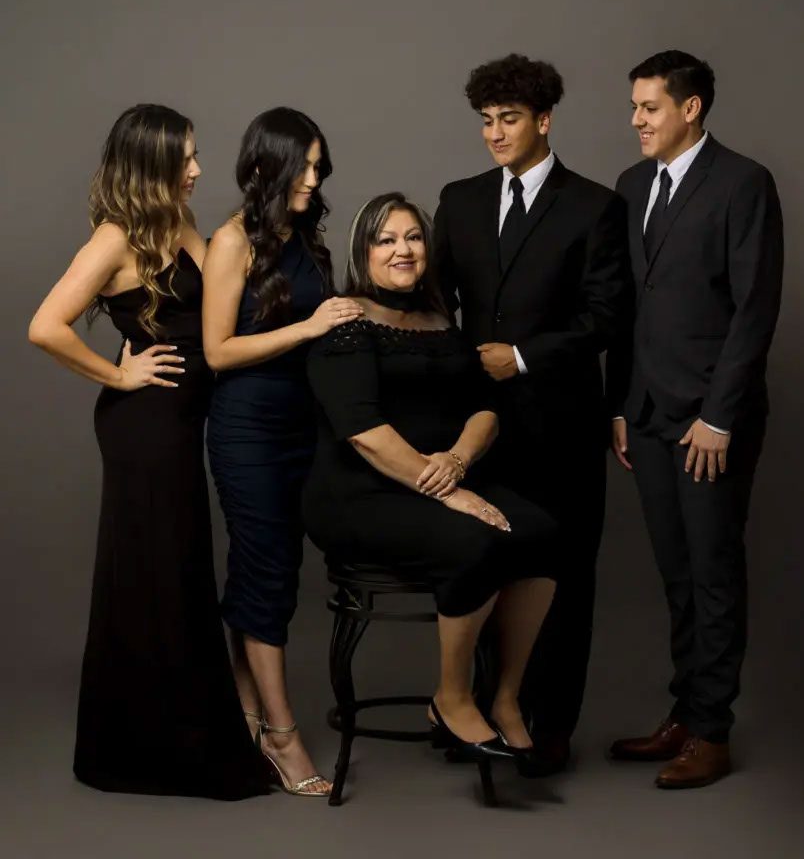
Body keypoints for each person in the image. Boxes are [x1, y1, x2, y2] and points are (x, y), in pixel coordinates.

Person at [28, 104, 268, 799]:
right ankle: (143, 751)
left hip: (184, 420)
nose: (196, 169)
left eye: (195, 156)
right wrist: (118, 373)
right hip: (146, 426)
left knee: (177, 571)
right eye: (183, 158)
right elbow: (45, 326)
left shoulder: (182, 223)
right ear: (150, 164)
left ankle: (171, 732)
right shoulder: (118, 236)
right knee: (159, 573)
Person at [303, 192, 560, 776]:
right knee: (476, 542)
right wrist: (447, 490)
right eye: (387, 239)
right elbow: (364, 432)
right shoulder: (346, 322)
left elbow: (487, 408)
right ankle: (452, 698)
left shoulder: (443, 322)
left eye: (413, 237)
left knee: (542, 533)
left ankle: (505, 696)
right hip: (358, 495)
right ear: (363, 250)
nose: (403, 250)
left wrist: (459, 463)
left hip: (442, 477)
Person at [433, 54, 630, 773]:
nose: (494, 133)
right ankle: (476, 714)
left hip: (561, 423)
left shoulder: (595, 205)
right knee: (486, 562)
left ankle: (549, 727)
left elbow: (605, 315)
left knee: (563, 570)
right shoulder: (458, 199)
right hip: (475, 426)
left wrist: (517, 357)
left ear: (543, 120)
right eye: (485, 121)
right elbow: (433, 303)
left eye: (508, 119)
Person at [606, 50, 783, 788]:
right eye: (633, 107)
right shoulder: (630, 185)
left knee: (712, 574)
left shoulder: (742, 183)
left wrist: (718, 417)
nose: (636, 121)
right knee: (675, 576)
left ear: (691, 108)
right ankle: (683, 714)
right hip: (644, 416)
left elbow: (754, 308)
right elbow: (624, 308)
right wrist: (618, 404)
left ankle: (711, 733)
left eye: (649, 107)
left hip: (708, 422)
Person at [203, 107, 362, 797]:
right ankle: (282, 734)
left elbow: (324, 332)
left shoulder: (306, 238)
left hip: (306, 427)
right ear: (268, 163)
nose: (314, 176)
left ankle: (243, 703)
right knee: (266, 572)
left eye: (320, 164)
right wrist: (308, 327)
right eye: (304, 164)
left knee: (272, 569)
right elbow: (217, 351)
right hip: (248, 425)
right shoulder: (231, 239)